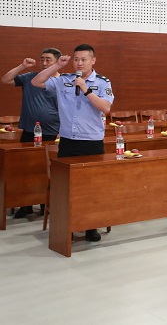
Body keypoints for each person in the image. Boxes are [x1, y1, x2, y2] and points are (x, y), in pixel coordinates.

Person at [31, 44, 114, 243]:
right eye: (76, 59)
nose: (79, 63)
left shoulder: (103, 82)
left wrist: (86, 90)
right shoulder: (64, 80)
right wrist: (57, 66)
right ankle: (67, 225)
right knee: (66, 187)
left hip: (91, 142)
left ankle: (90, 226)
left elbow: (105, 108)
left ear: (93, 61)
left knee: (91, 187)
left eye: (83, 59)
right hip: (68, 141)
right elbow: (36, 81)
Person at [2, 48, 62, 218]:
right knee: (26, 169)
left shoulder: (62, 82)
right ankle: (26, 204)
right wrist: (22, 66)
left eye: (48, 60)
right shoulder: (30, 77)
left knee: (46, 170)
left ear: (57, 62)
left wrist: (62, 130)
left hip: (53, 133)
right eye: (42, 59)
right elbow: (6, 79)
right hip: (30, 131)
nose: (44, 63)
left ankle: (45, 203)